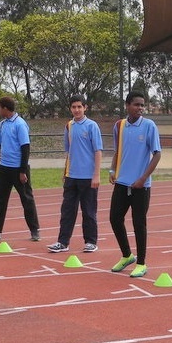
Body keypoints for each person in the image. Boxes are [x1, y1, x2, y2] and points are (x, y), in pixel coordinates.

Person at [108, 91, 161, 278]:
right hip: (122, 183)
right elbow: (117, 151)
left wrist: (143, 178)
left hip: (141, 185)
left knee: (139, 223)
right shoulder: (119, 126)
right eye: (136, 104)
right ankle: (127, 255)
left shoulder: (149, 126)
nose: (140, 108)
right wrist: (112, 170)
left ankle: (141, 262)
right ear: (127, 105)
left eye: (142, 105)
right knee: (114, 218)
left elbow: (157, 154)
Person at [0, 96, 41, 243]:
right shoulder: (2, 124)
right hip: (3, 168)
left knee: (26, 199)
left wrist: (22, 171)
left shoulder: (20, 124)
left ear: (6, 108)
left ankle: (34, 230)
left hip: (18, 168)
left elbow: (25, 148)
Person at [48, 94, 103, 253]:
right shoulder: (69, 126)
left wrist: (96, 175)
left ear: (85, 108)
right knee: (67, 211)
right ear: (70, 109)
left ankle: (91, 241)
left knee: (89, 211)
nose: (77, 110)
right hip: (71, 176)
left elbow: (98, 151)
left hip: (88, 177)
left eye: (79, 106)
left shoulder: (92, 126)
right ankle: (63, 242)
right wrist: (65, 171)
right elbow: (69, 151)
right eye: (74, 107)